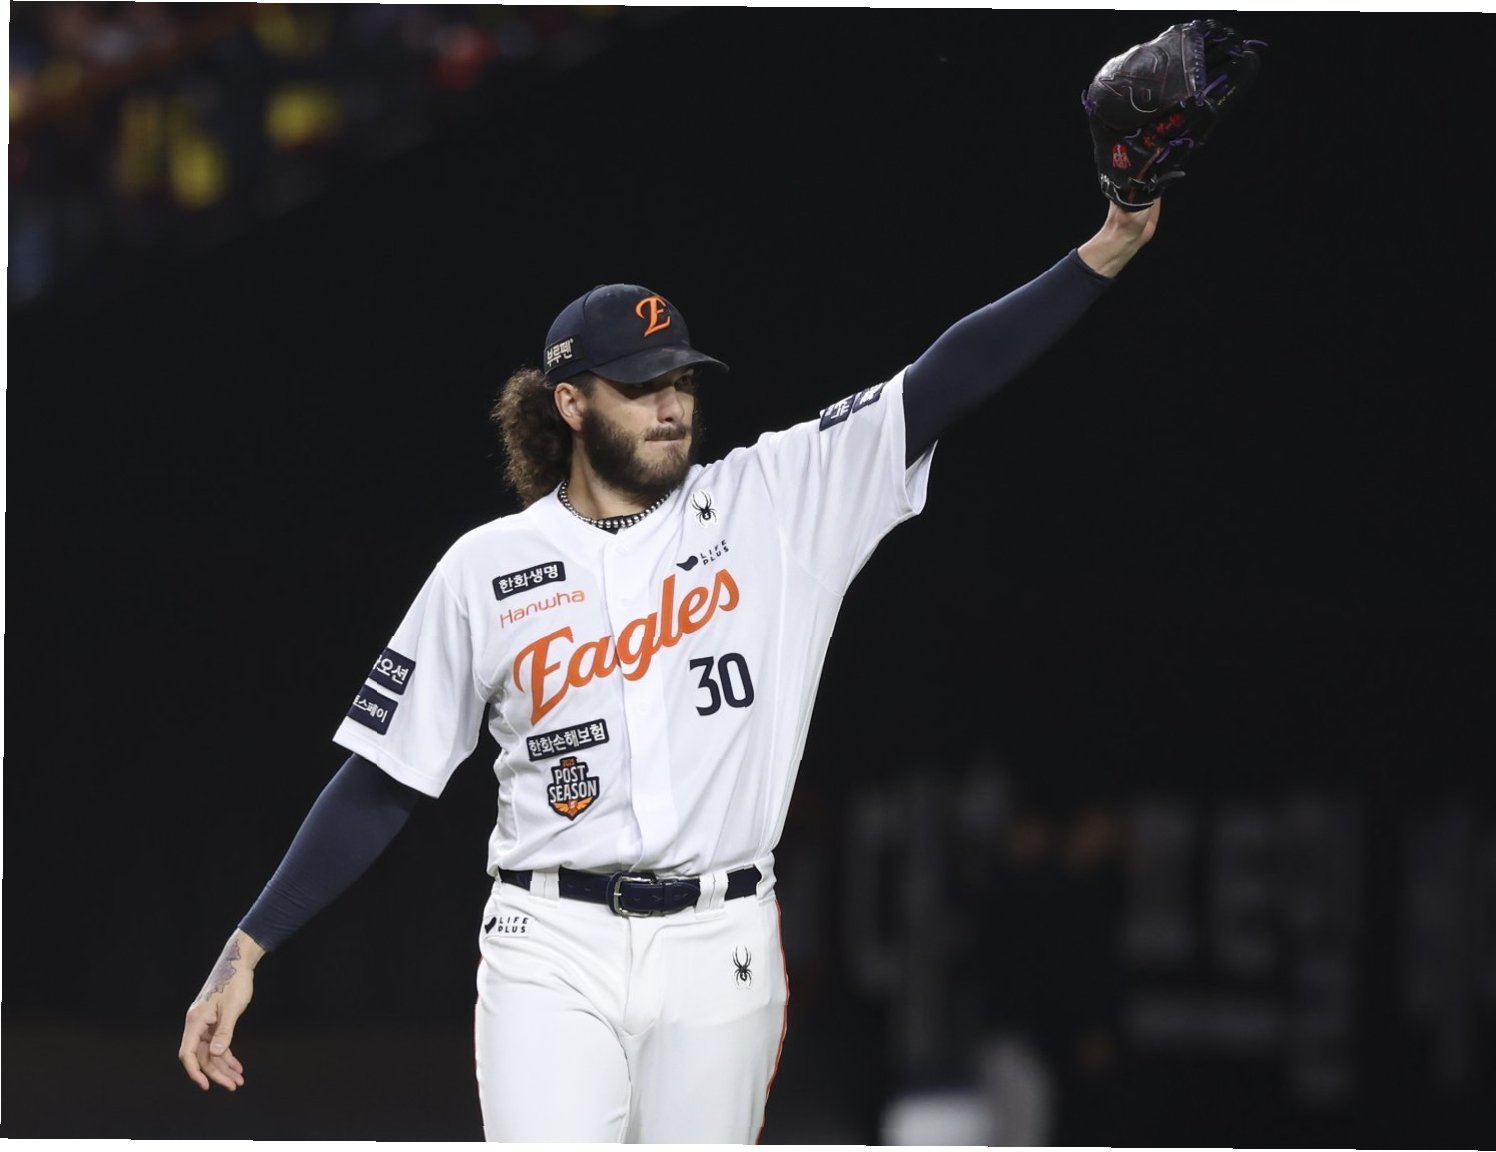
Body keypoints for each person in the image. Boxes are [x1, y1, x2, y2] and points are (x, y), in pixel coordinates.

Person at [177, 193, 1160, 1142]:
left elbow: (948, 377)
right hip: (549, 944)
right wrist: (246, 946)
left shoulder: (776, 503)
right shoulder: (486, 567)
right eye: (641, 385)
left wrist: (1106, 247)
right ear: (570, 402)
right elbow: (382, 778)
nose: (671, 406)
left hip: (719, 945)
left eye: (681, 381)